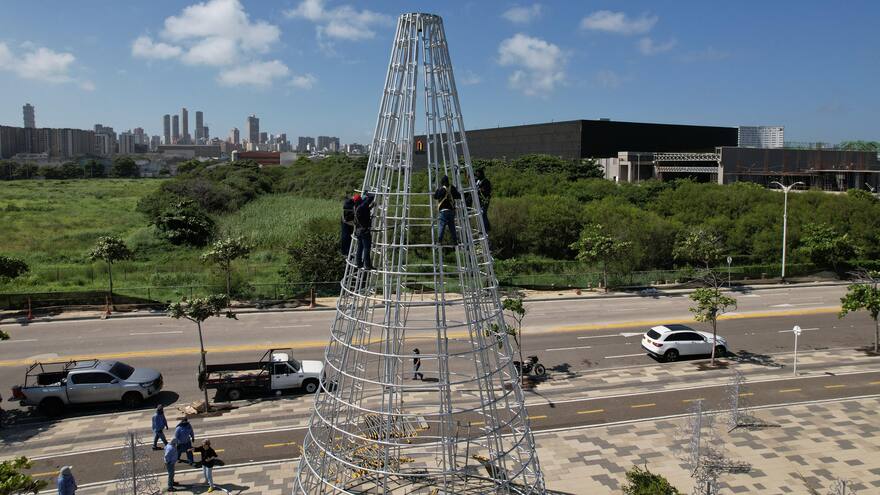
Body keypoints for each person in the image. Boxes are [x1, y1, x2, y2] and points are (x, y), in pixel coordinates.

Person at [434, 175, 462, 245]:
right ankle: (455, 241)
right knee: (452, 227)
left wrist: (438, 189)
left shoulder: (441, 189)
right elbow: (458, 196)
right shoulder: (451, 187)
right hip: (451, 210)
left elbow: (435, 196)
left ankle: (439, 241)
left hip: (443, 211)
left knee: (442, 226)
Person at [353, 191, 376, 270]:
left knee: (360, 247)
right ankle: (367, 265)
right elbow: (371, 197)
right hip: (364, 231)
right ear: (360, 200)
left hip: (358, 231)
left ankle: (359, 263)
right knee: (366, 248)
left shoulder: (356, 207)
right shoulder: (363, 205)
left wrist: (370, 207)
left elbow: (364, 212)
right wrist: (367, 193)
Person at [475, 169, 492, 233]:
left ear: (481, 174)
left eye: (478, 174)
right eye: (476, 174)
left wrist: (480, 189)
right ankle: (486, 228)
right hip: (479, 200)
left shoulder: (486, 181)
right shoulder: (477, 180)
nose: (477, 175)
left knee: (483, 213)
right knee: (482, 214)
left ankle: (485, 229)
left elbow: (488, 190)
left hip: (485, 199)